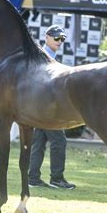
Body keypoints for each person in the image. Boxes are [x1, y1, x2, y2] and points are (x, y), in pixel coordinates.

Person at [28, 25, 76, 190]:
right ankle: (57, 178)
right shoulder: (44, 56)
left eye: (62, 39)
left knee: (39, 142)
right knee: (59, 141)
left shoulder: (47, 55)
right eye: (56, 38)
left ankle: (33, 178)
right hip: (45, 107)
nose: (59, 41)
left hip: (41, 106)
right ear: (46, 37)